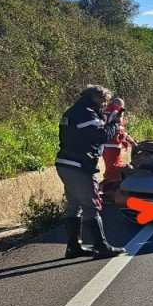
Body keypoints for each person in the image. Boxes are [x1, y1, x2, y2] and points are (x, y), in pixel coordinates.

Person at [56, 85, 125, 259]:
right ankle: (101, 247)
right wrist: (115, 124)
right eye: (104, 101)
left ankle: (73, 247)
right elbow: (100, 136)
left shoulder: (73, 111)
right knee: (91, 205)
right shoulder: (86, 113)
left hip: (66, 163)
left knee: (74, 205)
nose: (105, 104)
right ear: (96, 98)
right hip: (80, 165)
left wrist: (106, 120)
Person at [100, 97, 138, 191]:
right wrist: (131, 141)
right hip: (113, 145)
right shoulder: (116, 112)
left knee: (111, 170)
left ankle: (104, 188)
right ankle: (103, 189)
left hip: (105, 145)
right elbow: (119, 129)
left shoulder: (105, 111)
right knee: (115, 170)